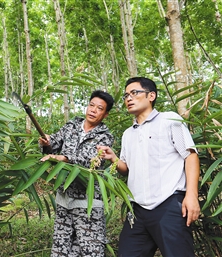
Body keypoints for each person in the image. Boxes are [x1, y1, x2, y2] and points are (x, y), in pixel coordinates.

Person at [97, 77, 200, 257]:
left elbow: (190, 155)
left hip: (169, 204)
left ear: (151, 95)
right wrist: (113, 158)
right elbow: (127, 169)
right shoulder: (128, 134)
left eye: (134, 93)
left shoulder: (169, 120)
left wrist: (191, 196)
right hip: (137, 210)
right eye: (126, 95)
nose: (129, 98)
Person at [38, 90, 114, 257]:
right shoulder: (72, 125)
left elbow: (92, 161)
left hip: (88, 202)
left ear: (105, 114)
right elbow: (54, 145)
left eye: (99, 108)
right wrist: (46, 143)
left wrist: (63, 158)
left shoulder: (105, 136)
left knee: (90, 251)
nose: (93, 110)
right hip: (64, 198)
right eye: (91, 105)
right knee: (61, 249)